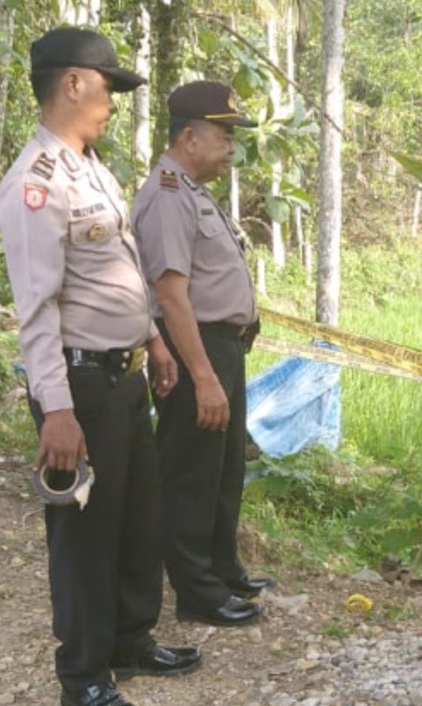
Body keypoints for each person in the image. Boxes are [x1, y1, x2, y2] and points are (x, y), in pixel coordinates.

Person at [0, 28, 202, 706]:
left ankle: (129, 639)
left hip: (126, 370)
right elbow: (36, 307)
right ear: (74, 82)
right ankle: (83, 673)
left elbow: (118, 271)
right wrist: (55, 408)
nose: (112, 98)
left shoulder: (91, 167)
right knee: (85, 532)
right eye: (108, 84)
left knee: (136, 515)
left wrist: (156, 339)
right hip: (79, 382)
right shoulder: (35, 182)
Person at [131, 80, 273, 628]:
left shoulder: (191, 189)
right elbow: (170, 294)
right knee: (191, 471)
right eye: (224, 135)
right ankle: (196, 591)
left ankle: (221, 568)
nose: (232, 147)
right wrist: (203, 375)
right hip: (195, 349)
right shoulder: (167, 195)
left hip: (221, 347)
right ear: (189, 138)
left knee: (221, 466)